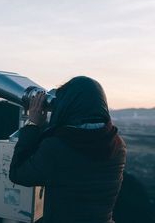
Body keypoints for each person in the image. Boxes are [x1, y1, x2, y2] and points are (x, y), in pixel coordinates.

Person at [9, 76, 126, 223]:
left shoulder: (56, 147)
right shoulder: (118, 145)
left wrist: (33, 125)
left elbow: (18, 173)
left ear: (67, 105)